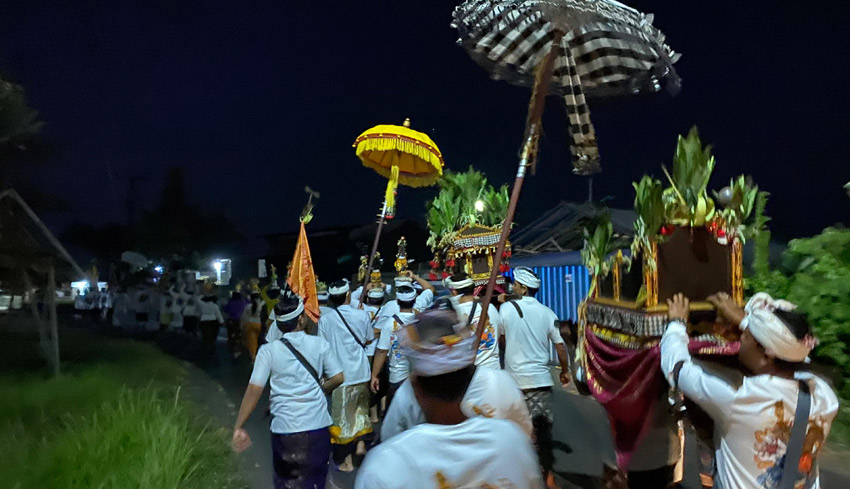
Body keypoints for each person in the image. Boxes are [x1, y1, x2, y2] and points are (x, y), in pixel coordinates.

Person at [661, 292, 839, 489]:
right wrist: (744, 322)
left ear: (767, 354)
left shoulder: (739, 398)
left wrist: (676, 323)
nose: (740, 341)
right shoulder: (824, 396)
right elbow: (798, 358)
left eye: (745, 337)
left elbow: (676, 368)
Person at [356, 309, 544, 489]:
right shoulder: (511, 442)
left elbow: (391, 432)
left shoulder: (385, 468)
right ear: (469, 378)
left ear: (416, 388)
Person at [233, 292, 344, 489]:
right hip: (317, 429)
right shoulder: (320, 344)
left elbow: (254, 389)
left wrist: (239, 425)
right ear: (301, 319)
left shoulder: (268, 351)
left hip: (285, 431)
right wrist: (321, 388)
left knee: (287, 483)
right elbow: (338, 377)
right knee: (315, 483)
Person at [498, 267, 571, 488]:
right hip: (540, 382)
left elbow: (501, 340)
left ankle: (521, 476)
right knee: (543, 432)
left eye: (515, 285)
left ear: (523, 287)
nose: (512, 287)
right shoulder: (548, 313)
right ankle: (547, 476)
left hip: (514, 383)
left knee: (517, 431)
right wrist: (565, 370)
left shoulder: (506, 309)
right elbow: (560, 346)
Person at [319, 279, 374, 472]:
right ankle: (360, 443)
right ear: (348, 295)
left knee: (343, 420)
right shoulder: (362, 315)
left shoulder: (325, 320)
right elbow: (369, 339)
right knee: (360, 412)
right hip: (362, 373)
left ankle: (347, 460)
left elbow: (322, 348)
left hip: (340, 376)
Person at [370, 285, 417, 409]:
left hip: (397, 376)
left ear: (397, 301)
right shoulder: (421, 320)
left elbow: (381, 351)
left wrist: (374, 375)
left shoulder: (389, 324)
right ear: (415, 300)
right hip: (419, 375)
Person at [447, 273, 501, 369]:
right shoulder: (490, 308)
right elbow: (498, 334)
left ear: (454, 293)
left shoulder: (454, 314)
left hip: (472, 374)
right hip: (494, 370)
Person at [361, 286, 387, 423]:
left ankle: (373, 415)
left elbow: (352, 297)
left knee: (370, 383)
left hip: (367, 352)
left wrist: (365, 288)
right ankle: (383, 408)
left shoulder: (361, 309)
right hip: (381, 350)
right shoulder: (385, 310)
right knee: (382, 381)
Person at [199, 294, 225, 363]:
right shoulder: (214, 306)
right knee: (211, 336)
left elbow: (198, 300)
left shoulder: (202, 304)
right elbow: (218, 314)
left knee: (205, 336)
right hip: (212, 321)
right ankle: (211, 349)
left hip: (204, 321)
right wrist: (222, 322)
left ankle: (204, 351)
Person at [224, 291, 249, 359]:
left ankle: (232, 347)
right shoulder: (243, 303)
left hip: (231, 321)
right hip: (240, 321)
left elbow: (225, 310)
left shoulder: (230, 303)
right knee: (239, 335)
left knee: (231, 335)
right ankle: (238, 349)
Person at [242, 291, 264, 363]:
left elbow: (244, 317)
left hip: (250, 325)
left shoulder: (248, 307)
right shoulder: (263, 305)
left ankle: (254, 358)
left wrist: (242, 325)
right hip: (259, 324)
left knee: (252, 342)